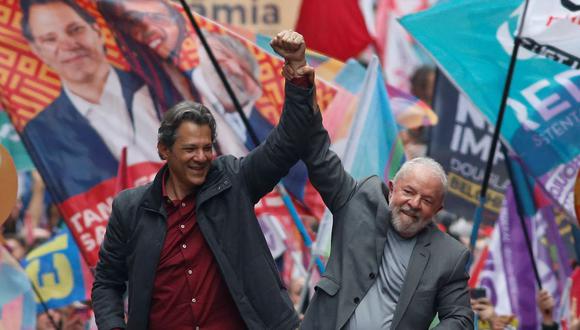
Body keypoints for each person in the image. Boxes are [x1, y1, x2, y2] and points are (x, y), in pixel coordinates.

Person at [92, 30, 315, 329]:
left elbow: (287, 142)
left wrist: (298, 73)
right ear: (164, 150)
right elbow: (107, 282)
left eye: (207, 147)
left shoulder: (233, 181)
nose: (201, 157)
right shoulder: (130, 209)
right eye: (190, 149)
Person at [288, 66, 473, 327]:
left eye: (427, 200)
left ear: (439, 209)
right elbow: (319, 157)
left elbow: (460, 318)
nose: (414, 204)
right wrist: (299, 84)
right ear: (393, 188)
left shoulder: (449, 257)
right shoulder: (356, 202)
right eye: (408, 192)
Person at [20, 0, 164, 200]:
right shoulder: (40, 130)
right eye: (49, 39)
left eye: (75, 29)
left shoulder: (159, 89)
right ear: (37, 51)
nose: (68, 45)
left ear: (97, 31)